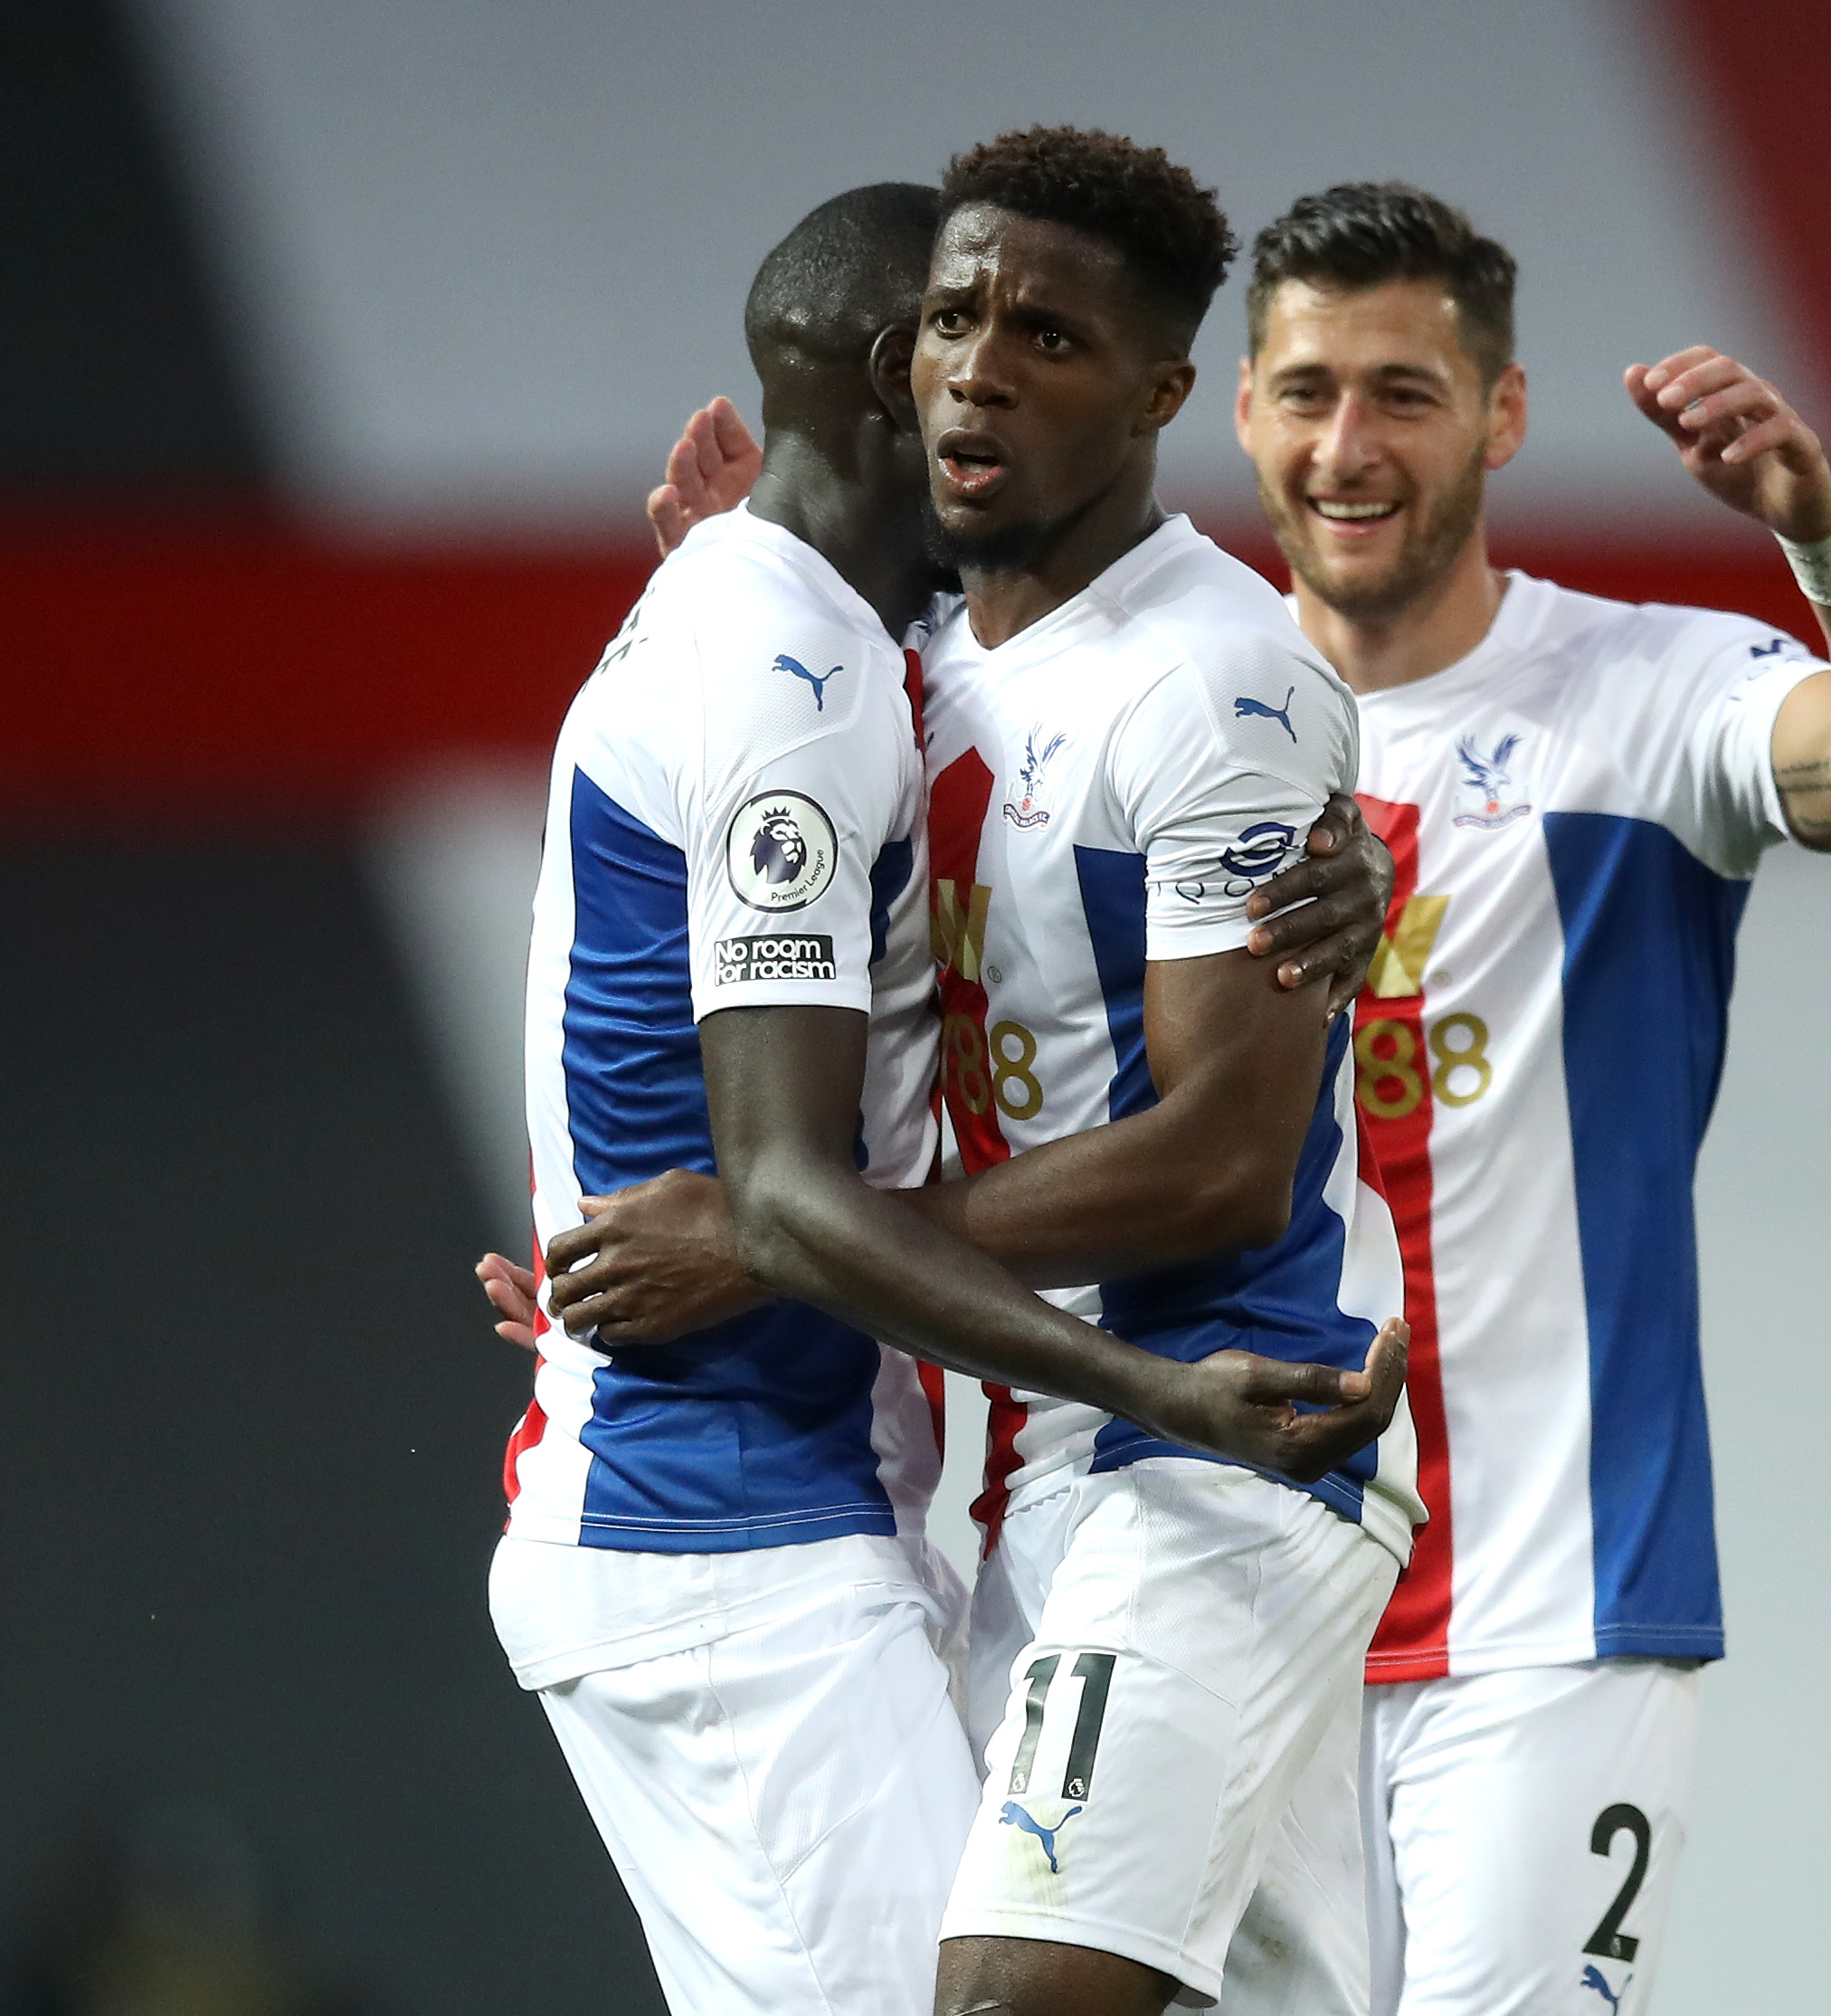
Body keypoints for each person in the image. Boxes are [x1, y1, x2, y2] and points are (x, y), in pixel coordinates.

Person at [489, 181, 1405, 2016]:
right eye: (954, 331)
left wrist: (762, 1243)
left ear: (1154, 391)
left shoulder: (1022, 657)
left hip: (1168, 1458)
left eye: (1035, 339)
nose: (979, 377)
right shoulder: (834, 663)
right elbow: (772, 1168)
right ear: (876, 377)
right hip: (785, 1513)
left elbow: (1214, 1144)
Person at [1231, 183, 1831, 2015]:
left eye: (1405, 393)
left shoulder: (1645, 691)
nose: (1351, 444)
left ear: (1499, 416)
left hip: (1547, 1601)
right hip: (1227, 1592)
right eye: (1310, 388)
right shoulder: (1163, 720)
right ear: (1240, 408)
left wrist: (1824, 534)